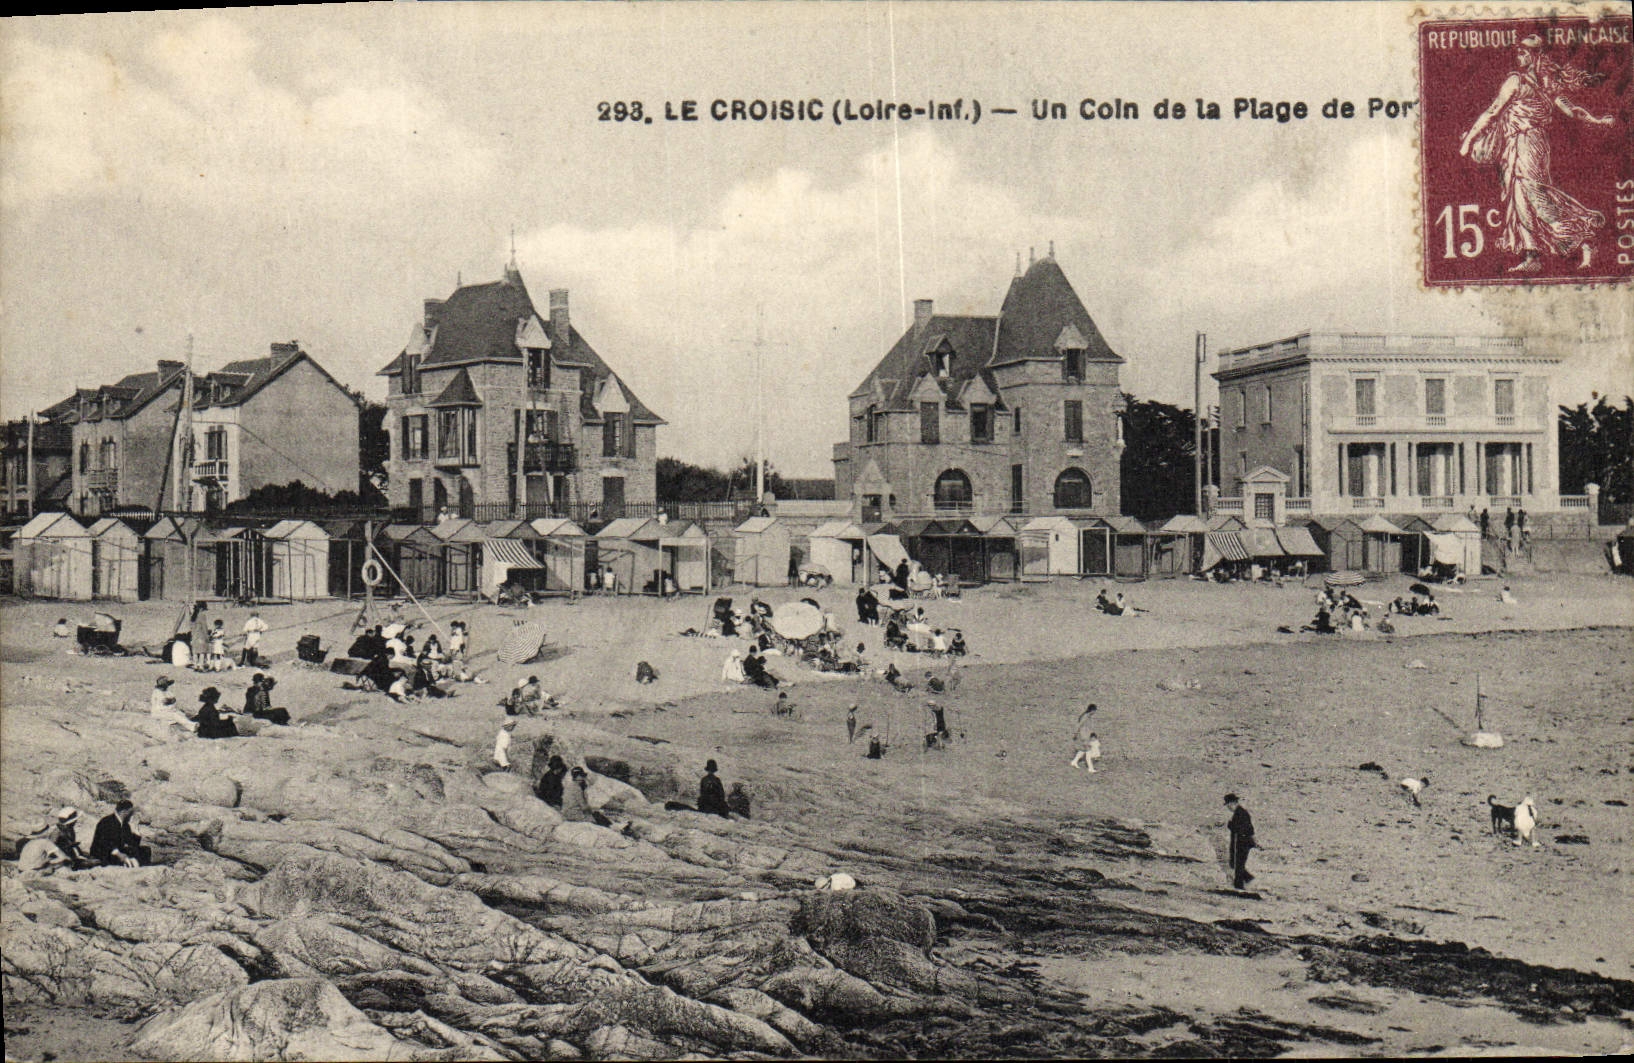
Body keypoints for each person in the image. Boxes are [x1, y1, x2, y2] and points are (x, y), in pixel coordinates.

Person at [1459, 34, 1613, 274]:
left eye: (1523, 52)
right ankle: (1532, 256)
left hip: (1528, 143)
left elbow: (1493, 111)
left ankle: (1583, 240)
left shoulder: (1519, 82)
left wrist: (1468, 140)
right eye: (1518, 52)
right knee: (1519, 197)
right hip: (1521, 144)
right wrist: (1597, 120)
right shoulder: (1543, 85)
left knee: (1535, 195)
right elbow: (1571, 110)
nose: (1519, 56)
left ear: (1534, 56)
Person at [89, 800, 150, 867]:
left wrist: (136, 830)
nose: (132, 815)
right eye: (131, 812)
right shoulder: (106, 822)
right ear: (124, 812)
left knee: (145, 850)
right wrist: (119, 854)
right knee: (121, 859)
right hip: (103, 853)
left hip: (117, 851)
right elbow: (105, 843)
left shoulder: (125, 825)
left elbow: (132, 844)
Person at [1224, 793, 1256, 891]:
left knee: (1238, 865)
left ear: (1233, 803)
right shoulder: (1240, 813)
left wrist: (1230, 825)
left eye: (1229, 805)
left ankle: (1239, 886)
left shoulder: (1240, 813)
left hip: (1242, 842)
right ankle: (1248, 879)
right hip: (1242, 842)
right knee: (1236, 864)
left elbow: (1243, 829)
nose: (1228, 808)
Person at [1069, 705, 1099, 772]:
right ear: (1092, 710)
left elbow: (1088, 727)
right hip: (1084, 736)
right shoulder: (1085, 717)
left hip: (1086, 736)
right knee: (1088, 751)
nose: (1095, 712)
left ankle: (1074, 762)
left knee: (1082, 750)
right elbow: (1079, 726)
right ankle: (1090, 768)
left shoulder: (1088, 717)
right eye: (1094, 711)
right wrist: (1075, 734)